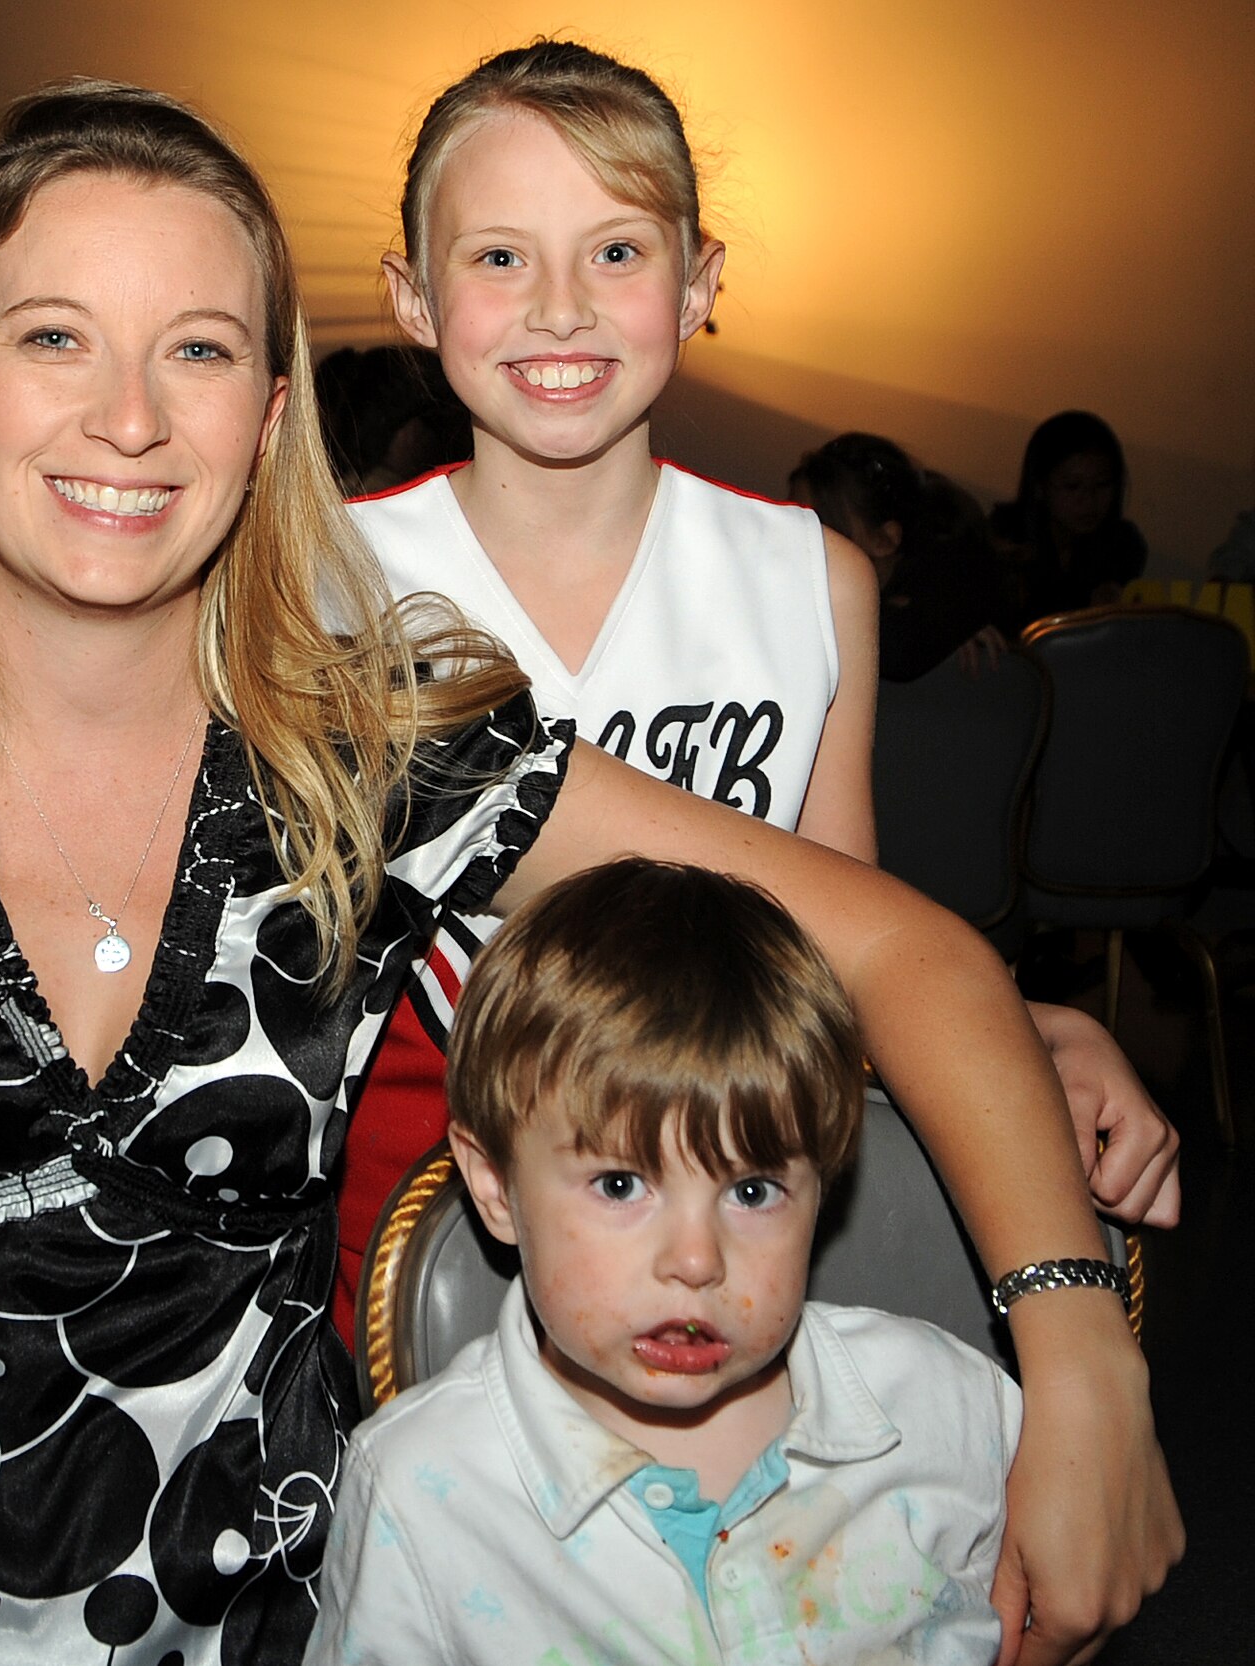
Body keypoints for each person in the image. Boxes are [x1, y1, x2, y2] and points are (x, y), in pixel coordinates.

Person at [0, 80, 1176, 1666]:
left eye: (201, 348)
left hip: (243, 1612)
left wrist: (1079, 1358)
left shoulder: (365, 751)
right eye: (53, 337)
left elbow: (897, 948)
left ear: (272, 413)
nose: (131, 415)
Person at [335, 39, 1178, 1361]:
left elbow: (845, 943)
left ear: (700, 282)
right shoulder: (324, 582)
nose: (559, 304)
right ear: (414, 295)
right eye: (499, 255)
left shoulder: (813, 580)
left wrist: (1024, 1034)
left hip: (724, 1229)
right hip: (416, 1226)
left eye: (617, 251)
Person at [310, 859, 1027, 1664]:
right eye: (621, 1184)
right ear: (497, 1187)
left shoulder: (951, 1412)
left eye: (753, 1192)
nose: (695, 1261)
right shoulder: (421, 1493)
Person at [789, 432, 1011, 682]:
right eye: (794, 522)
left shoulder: (947, 593)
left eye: (823, 528)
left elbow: (895, 652)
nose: (798, 541)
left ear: (885, 540)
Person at [990, 410, 1148, 628]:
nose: (1089, 500)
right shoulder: (1006, 537)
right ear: (1039, 487)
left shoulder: (1122, 544)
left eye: (1102, 485)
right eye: (1072, 486)